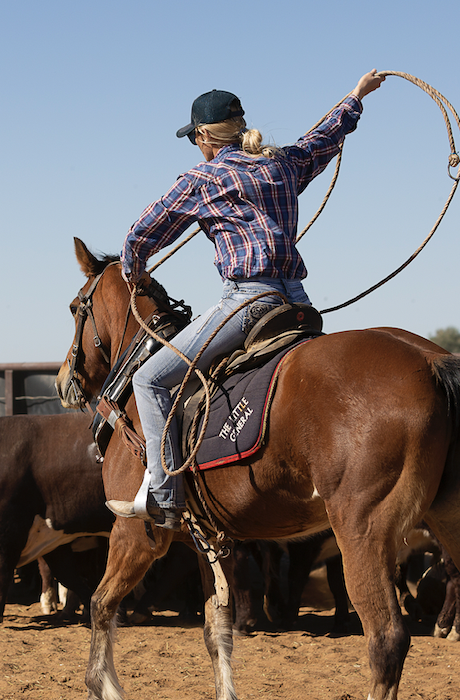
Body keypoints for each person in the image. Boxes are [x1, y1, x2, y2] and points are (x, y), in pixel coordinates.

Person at [106, 69, 388, 529]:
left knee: (150, 381)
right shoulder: (281, 164)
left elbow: (139, 235)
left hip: (247, 301)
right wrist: (355, 96)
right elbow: (324, 138)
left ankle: (163, 494)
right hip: (296, 299)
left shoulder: (201, 179)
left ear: (202, 136)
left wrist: (133, 273)